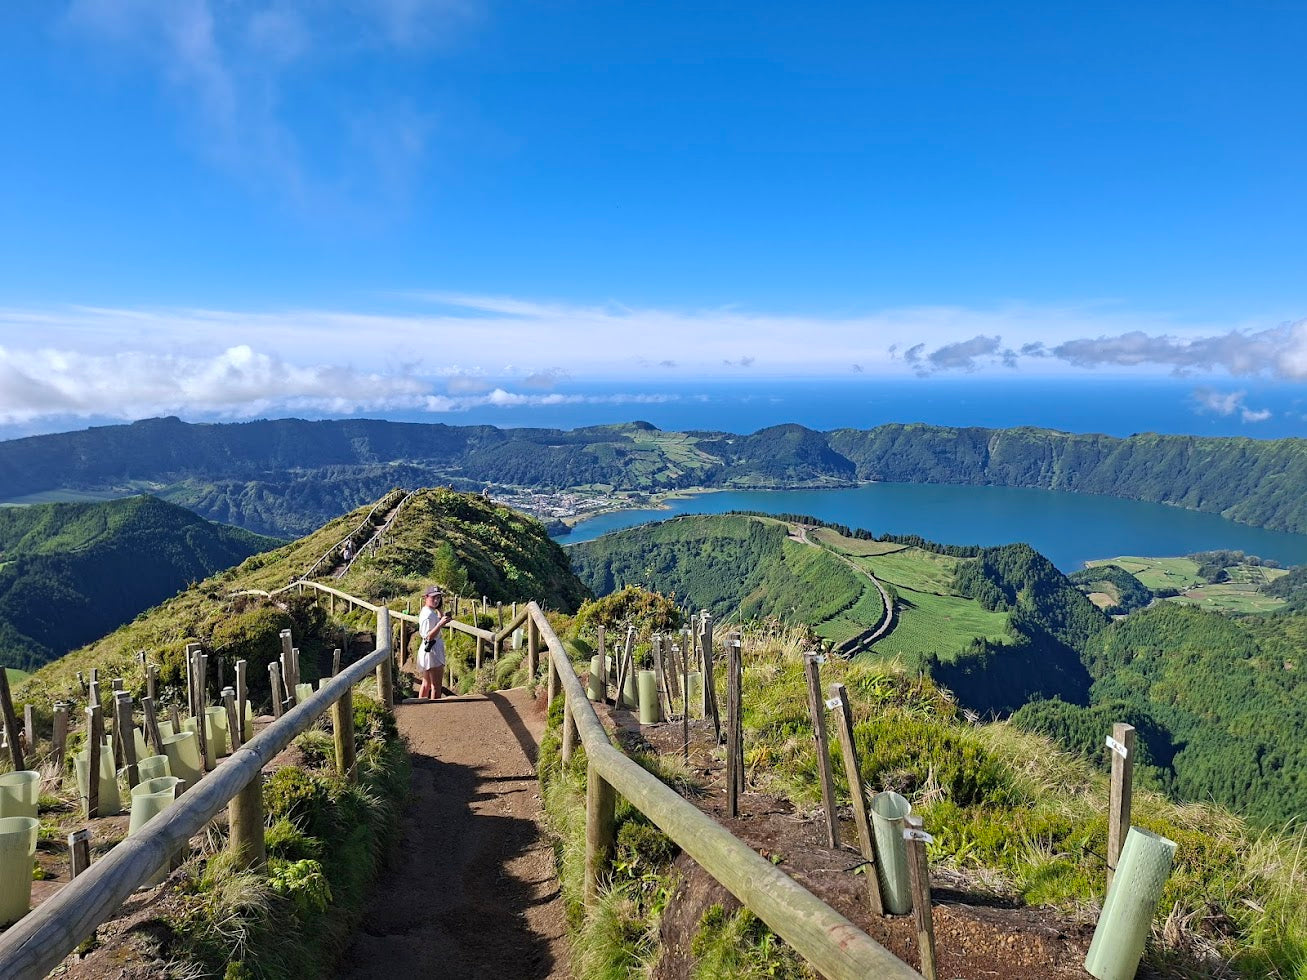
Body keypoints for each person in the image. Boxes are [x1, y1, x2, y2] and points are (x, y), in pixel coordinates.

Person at [417, 585, 452, 700]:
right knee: (436, 686)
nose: (436, 600)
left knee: (426, 684)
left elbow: (435, 623)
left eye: (438, 598)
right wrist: (440, 624)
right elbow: (428, 636)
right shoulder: (428, 615)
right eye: (433, 598)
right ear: (426, 597)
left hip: (428, 649)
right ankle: (435, 707)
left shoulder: (428, 611)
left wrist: (440, 611)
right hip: (432, 651)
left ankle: (420, 706)